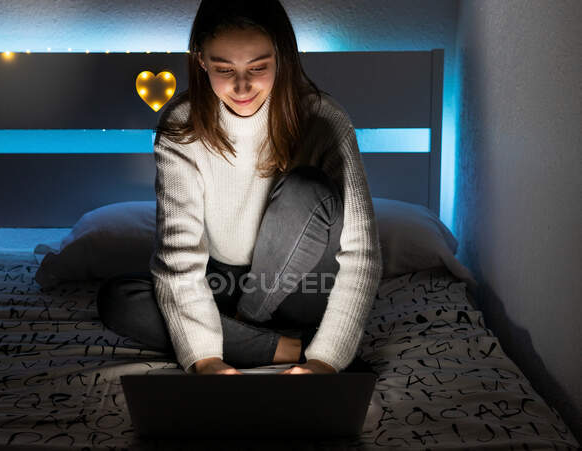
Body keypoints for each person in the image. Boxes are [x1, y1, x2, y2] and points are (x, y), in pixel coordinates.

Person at [96, 0, 383, 376]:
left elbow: (362, 252)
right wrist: (206, 361)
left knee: (306, 188)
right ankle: (285, 347)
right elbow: (179, 258)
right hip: (223, 281)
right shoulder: (180, 125)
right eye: (223, 68)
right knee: (119, 299)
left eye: (259, 68)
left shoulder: (324, 118)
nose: (242, 86)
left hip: (306, 285)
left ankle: (241, 325)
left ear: (282, 58)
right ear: (200, 60)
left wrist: (327, 360)